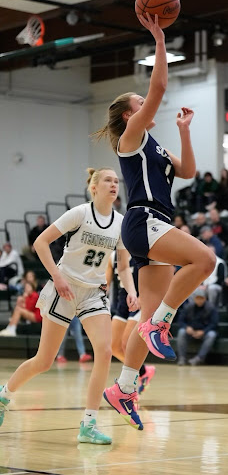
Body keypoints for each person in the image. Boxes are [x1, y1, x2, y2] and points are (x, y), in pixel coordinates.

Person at [94, 13, 215, 429]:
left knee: (146, 319)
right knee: (206, 261)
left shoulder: (155, 145)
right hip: (144, 220)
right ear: (130, 116)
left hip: (154, 225)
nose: (146, 107)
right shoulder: (131, 141)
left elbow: (188, 173)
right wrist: (159, 39)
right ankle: (161, 323)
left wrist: (184, 129)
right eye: (139, 104)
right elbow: (159, 86)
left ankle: (124, 387)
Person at [0, 167, 138, 445]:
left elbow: (123, 267)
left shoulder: (122, 223)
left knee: (104, 351)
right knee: (44, 361)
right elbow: (40, 242)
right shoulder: (79, 213)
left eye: (116, 181)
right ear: (95, 187)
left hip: (93, 293)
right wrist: (57, 276)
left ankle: (88, 425)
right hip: (64, 288)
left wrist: (132, 292)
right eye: (108, 180)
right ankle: (3, 395)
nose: (114, 184)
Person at [106, 251, 156, 394]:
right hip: (123, 302)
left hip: (142, 301)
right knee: (113, 346)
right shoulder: (113, 256)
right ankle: (143, 371)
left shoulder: (141, 252)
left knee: (127, 343)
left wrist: (143, 296)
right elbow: (105, 284)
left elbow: (156, 277)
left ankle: (128, 385)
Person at [177, 287, 218, 366]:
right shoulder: (188, 307)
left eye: (201, 298)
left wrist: (203, 331)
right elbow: (181, 321)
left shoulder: (211, 308)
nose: (199, 300)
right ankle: (182, 358)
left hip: (204, 332)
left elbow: (214, 324)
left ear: (205, 298)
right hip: (191, 331)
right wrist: (186, 327)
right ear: (194, 299)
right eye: (197, 298)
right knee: (181, 332)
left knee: (212, 335)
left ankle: (199, 358)